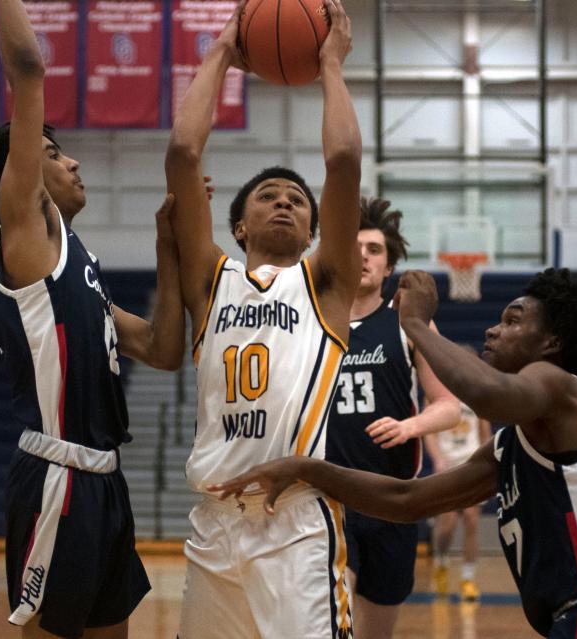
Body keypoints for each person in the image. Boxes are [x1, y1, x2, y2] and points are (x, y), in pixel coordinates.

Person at [213, 268, 577, 638]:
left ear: (551, 343)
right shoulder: (512, 444)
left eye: (513, 321)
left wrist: (414, 324)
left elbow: (487, 395)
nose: (494, 330)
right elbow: (406, 501)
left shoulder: (560, 387)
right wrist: (305, 468)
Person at [0, 0, 186, 634]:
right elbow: (29, 70)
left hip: (106, 482)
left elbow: (166, 349)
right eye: (54, 154)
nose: (72, 162)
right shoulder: (26, 238)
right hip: (57, 476)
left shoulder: (80, 274)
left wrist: (168, 248)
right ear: (22, 176)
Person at [165, 1, 361, 636]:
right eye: (268, 197)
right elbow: (182, 154)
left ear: (312, 229)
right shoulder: (210, 280)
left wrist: (330, 63)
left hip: (295, 525)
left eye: (297, 201)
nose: (285, 202)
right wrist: (223, 49)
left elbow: (343, 164)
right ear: (239, 224)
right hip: (213, 525)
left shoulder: (324, 282)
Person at [325, 197, 460, 638]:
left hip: (393, 498)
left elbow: (448, 406)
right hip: (330, 498)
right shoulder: (314, 322)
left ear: (388, 269)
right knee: (331, 618)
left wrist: (409, 426)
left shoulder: (408, 324)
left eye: (375, 249)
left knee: (377, 630)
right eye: (354, 246)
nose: (363, 255)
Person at [424, 379, 493, 601]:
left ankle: (468, 579)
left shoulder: (476, 397)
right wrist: (437, 459)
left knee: (472, 521)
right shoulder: (436, 394)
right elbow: (429, 433)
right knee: (447, 524)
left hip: (471, 464)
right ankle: (441, 562)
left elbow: (485, 433)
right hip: (447, 467)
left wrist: (487, 464)